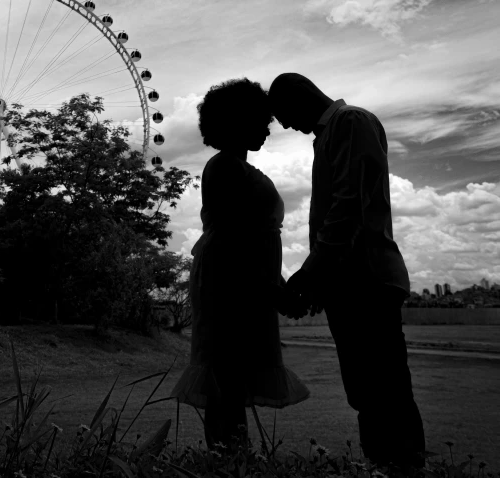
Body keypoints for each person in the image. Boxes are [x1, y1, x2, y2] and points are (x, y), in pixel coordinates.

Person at [268, 72, 425, 468]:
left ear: (301, 96)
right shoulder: (333, 133)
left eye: (283, 114)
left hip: (366, 283)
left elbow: (348, 207)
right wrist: (318, 285)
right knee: (368, 392)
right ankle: (387, 465)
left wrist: (308, 276)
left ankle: (400, 466)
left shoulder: (351, 123)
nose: (286, 125)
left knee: (382, 391)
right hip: (352, 284)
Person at [170, 78, 310, 450]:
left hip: (246, 282)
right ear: (238, 121)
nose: (267, 130)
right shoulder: (225, 168)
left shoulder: (231, 167)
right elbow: (236, 246)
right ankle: (229, 460)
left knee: (233, 378)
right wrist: (274, 291)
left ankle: (232, 460)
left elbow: (250, 245)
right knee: (227, 377)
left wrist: (276, 287)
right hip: (230, 285)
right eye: (259, 122)